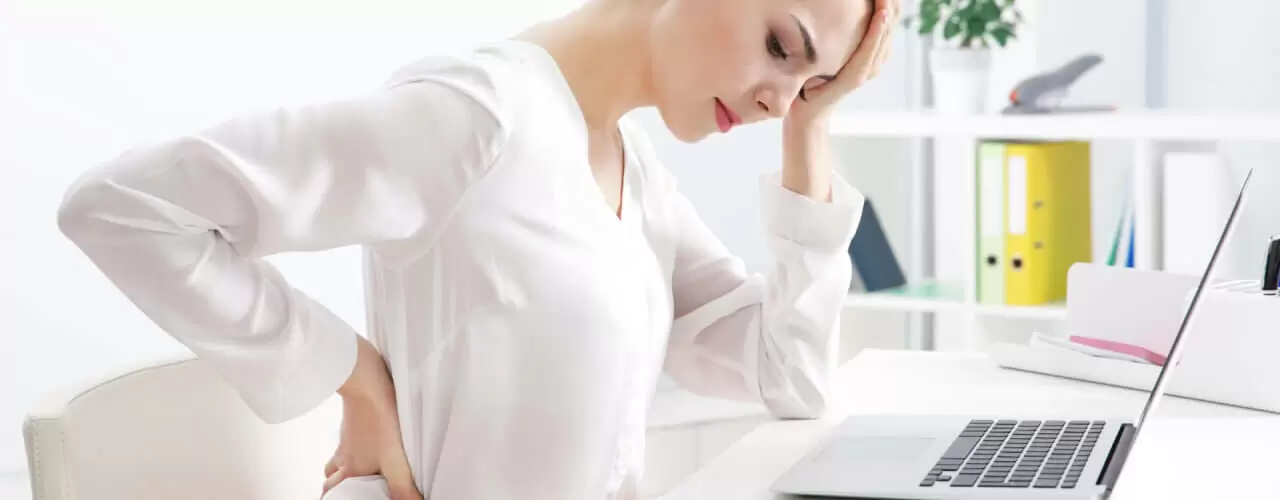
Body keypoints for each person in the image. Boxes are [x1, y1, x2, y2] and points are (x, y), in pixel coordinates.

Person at [56, 0, 898, 498]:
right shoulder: (474, 119)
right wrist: (349, 370)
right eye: (781, 48)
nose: (777, 98)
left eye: (811, 82)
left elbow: (791, 376)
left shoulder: (635, 174)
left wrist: (811, 129)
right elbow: (123, 208)